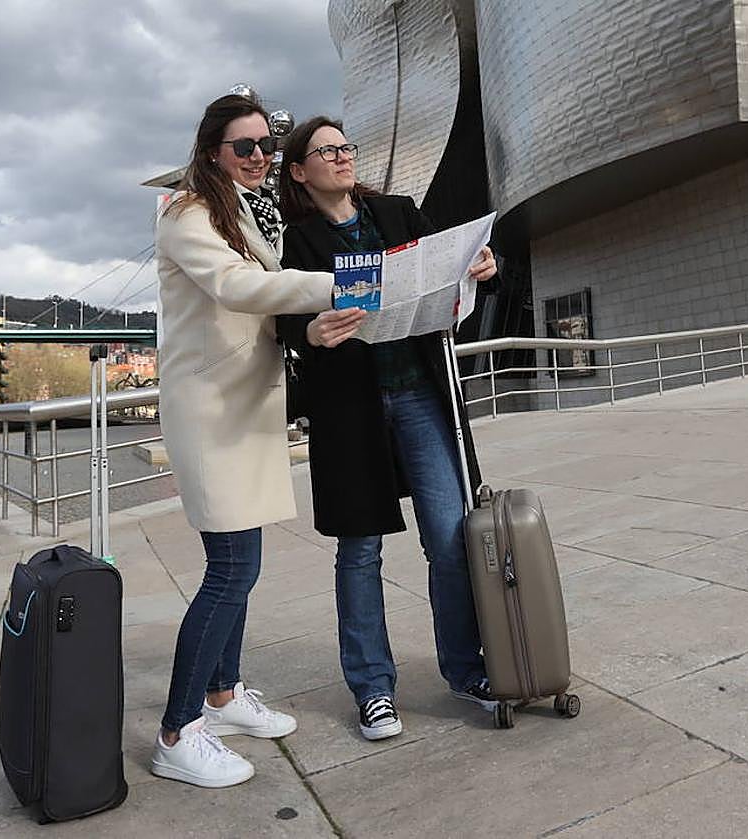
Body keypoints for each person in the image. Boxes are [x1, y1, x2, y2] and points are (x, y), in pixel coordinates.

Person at [150, 94, 360, 788]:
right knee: (231, 569)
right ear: (213, 148)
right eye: (245, 147)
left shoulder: (234, 208)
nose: (259, 158)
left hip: (242, 408)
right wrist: (339, 286)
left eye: (266, 148)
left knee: (243, 564)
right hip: (212, 414)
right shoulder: (185, 211)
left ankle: (224, 692)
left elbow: (259, 295)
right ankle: (178, 731)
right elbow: (242, 287)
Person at [276, 117, 498, 741]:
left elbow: (452, 271)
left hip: (421, 393)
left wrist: (482, 266)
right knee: (360, 549)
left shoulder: (399, 214)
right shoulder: (300, 242)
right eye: (327, 152)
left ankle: (465, 668)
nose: (342, 158)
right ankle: (373, 689)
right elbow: (284, 320)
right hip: (351, 408)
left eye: (346, 148)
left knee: (450, 540)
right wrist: (309, 333)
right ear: (300, 171)